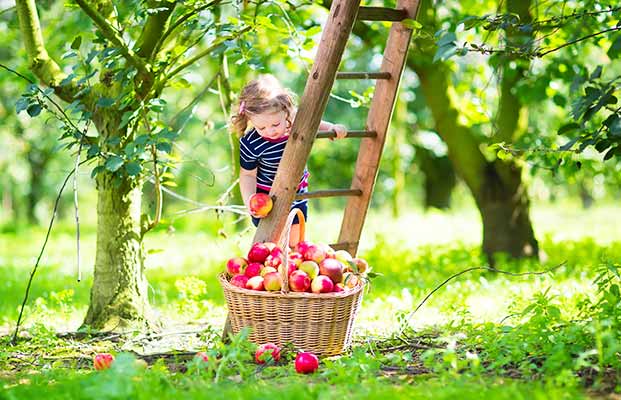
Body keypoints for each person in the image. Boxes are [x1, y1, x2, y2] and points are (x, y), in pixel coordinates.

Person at [231, 74, 347, 247]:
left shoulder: (293, 121)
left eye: (275, 124)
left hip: (297, 190)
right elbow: (247, 175)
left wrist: (331, 128)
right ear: (250, 120)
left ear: (285, 110)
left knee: (294, 241)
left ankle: (290, 268)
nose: (270, 131)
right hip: (268, 196)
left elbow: (313, 122)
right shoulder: (250, 143)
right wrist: (250, 201)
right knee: (271, 242)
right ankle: (273, 269)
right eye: (261, 127)